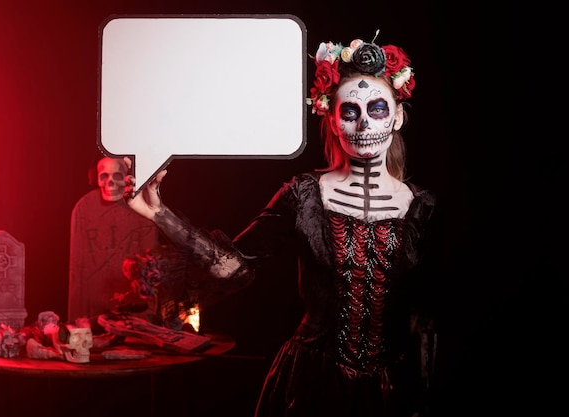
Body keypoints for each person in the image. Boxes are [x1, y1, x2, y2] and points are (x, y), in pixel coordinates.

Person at [124, 34, 437, 417]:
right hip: (312, 388)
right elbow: (234, 268)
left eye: (377, 109)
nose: (364, 124)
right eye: (350, 112)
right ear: (332, 119)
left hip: (393, 393)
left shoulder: (422, 209)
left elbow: (429, 315)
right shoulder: (303, 195)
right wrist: (159, 213)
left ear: (398, 115)